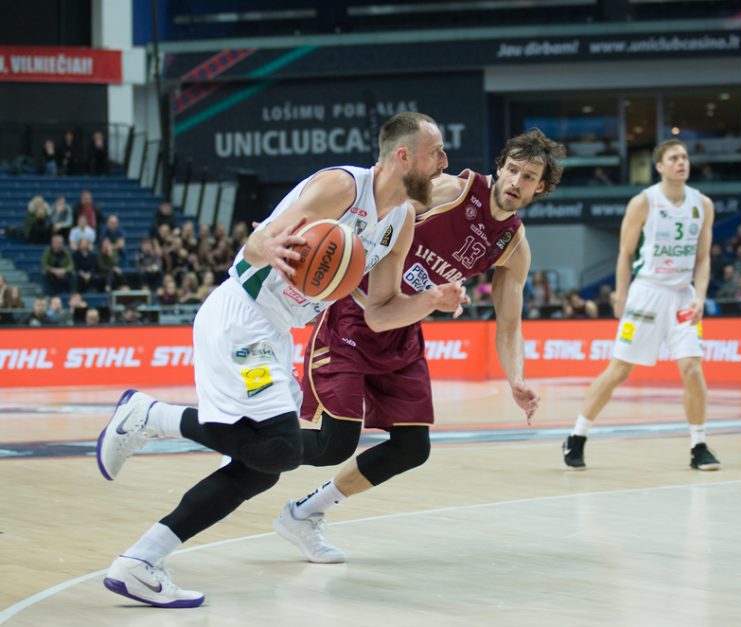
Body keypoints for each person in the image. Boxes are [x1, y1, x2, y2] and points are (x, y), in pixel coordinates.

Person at [94, 112, 466, 608]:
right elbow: (254, 245)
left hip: (274, 333)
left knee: (265, 463)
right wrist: (263, 243)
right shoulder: (340, 187)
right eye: (437, 152)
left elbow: (378, 314)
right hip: (241, 316)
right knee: (276, 448)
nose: (444, 162)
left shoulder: (399, 224)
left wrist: (431, 302)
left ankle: (139, 562)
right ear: (404, 156)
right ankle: (151, 417)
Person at [273, 129, 564, 565]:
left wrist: (516, 378)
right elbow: (380, 212)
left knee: (412, 447)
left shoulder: (513, 247)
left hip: (403, 326)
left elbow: (508, 326)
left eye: (528, 177)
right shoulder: (450, 190)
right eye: (513, 170)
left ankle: (304, 514)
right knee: (336, 442)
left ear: (540, 187)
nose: (516, 182)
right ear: (500, 167)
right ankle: (246, 438)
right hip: (356, 311)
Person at [562, 139, 719, 471]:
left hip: (682, 295)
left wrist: (700, 296)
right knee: (620, 370)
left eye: (685, 157)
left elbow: (703, 258)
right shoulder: (644, 202)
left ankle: (699, 444)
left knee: (692, 367)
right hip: (646, 292)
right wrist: (620, 295)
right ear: (660, 166)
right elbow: (625, 253)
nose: (682, 162)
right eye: (674, 158)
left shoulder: (702, 204)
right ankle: (577, 435)